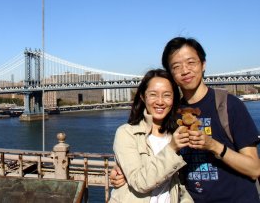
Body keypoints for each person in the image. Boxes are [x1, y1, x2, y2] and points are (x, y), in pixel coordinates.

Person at [111, 37, 260, 202]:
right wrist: (124, 170)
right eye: (176, 66)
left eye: (191, 62)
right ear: (171, 73)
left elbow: (255, 169)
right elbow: (161, 159)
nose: (185, 70)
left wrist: (213, 145)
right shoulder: (171, 114)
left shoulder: (228, 104)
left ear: (203, 64)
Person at [109, 68, 193, 203]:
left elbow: (180, 185)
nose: (160, 102)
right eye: (153, 94)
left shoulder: (177, 134)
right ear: (143, 96)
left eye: (167, 95)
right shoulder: (126, 133)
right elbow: (139, 183)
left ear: (174, 99)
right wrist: (171, 149)